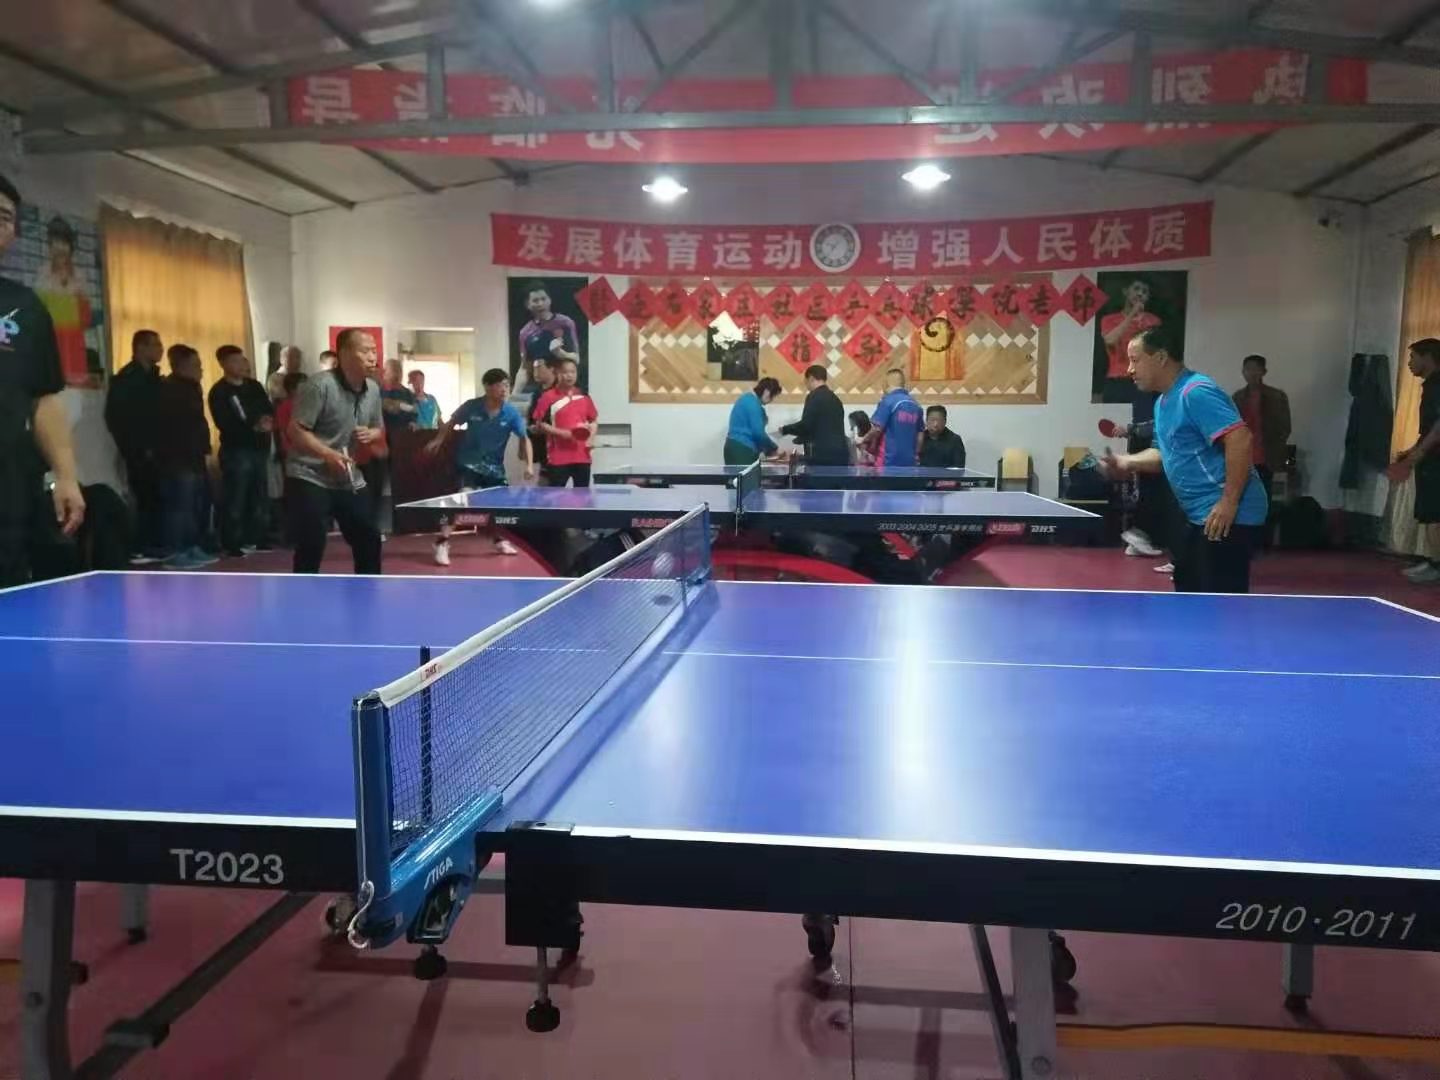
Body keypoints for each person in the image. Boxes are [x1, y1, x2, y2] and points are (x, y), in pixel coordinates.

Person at [1100, 328, 1267, 594]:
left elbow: (1240, 439)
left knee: (1218, 605)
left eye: (1135, 360)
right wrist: (1126, 462)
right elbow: (1163, 453)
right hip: (1198, 515)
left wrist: (1228, 502)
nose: (1129, 369)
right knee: (1188, 592)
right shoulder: (1163, 402)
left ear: (1161, 357)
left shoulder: (1195, 392)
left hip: (1225, 516)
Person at [0, 172, 85, 587]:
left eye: (3, 217)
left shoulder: (26, 306)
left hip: (9, 491)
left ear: (12, 234)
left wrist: (65, 475)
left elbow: (44, 399)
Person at [284, 327, 385, 574]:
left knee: (369, 537)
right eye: (365, 351)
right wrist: (327, 454)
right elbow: (295, 430)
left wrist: (371, 434)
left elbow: (379, 428)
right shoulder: (319, 385)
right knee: (312, 542)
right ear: (344, 354)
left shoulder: (373, 389)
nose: (372, 357)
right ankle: (302, 591)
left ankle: (368, 590)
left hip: (348, 475)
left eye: (374, 351)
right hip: (309, 473)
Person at [426, 368, 535, 565]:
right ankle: (441, 542)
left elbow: (524, 438)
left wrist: (529, 465)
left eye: (507, 385)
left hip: (494, 469)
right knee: (463, 500)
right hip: (468, 464)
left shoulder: (510, 413)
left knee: (495, 507)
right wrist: (438, 440)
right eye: (500, 385)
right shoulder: (471, 406)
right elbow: (451, 422)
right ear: (488, 387)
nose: (505, 389)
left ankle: (498, 539)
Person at [208, 345, 274, 557]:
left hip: (259, 447)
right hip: (236, 450)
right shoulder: (219, 391)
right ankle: (232, 541)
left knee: (259, 494)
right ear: (223, 364)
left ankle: (259, 537)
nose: (241, 364)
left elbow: (267, 408)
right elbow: (225, 422)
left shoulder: (254, 386)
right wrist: (253, 426)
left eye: (242, 359)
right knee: (236, 496)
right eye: (235, 361)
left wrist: (266, 421)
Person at [154, 345, 216, 569]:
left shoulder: (193, 389)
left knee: (194, 506)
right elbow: (172, 429)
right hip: (177, 459)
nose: (201, 369)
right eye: (196, 365)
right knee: (178, 508)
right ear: (181, 366)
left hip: (195, 457)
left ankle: (191, 546)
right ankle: (175, 552)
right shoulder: (168, 390)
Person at [106, 328, 166, 560]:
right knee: (143, 498)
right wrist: (135, 448)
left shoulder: (154, 378)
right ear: (141, 347)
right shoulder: (127, 378)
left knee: (157, 499)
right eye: (155, 344)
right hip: (139, 451)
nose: (160, 349)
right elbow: (117, 417)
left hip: (160, 449)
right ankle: (139, 547)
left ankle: (155, 544)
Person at [1388, 338, 1440, 584]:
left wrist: (1414, 458)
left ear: (1427, 357)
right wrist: (1411, 452)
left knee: (1435, 517)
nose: (1409, 363)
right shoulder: (1430, 385)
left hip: (1436, 461)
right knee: (1431, 516)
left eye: (1413, 357)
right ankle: (1433, 562)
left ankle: (1437, 567)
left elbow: (1438, 430)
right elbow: (1428, 430)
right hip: (1430, 459)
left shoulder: (1437, 385)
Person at [1232, 354, 1292, 502]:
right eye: (1247, 369)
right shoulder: (1237, 397)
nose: (1251, 373)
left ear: (1264, 372)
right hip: (1243, 455)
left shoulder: (1277, 396)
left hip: (1267, 456)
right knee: (1243, 497)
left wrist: (1275, 447)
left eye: (1255, 369)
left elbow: (1285, 427)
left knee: (1266, 496)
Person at [533, 357, 598, 486]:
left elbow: (593, 420)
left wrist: (591, 437)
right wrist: (562, 433)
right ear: (557, 373)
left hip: (582, 457)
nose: (569, 375)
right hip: (558, 458)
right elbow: (540, 423)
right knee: (556, 495)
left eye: (573, 372)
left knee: (582, 495)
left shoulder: (583, 395)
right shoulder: (547, 397)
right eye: (565, 372)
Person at [517, 281, 580, 395]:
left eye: (543, 299)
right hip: (540, 391)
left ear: (550, 300)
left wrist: (560, 353)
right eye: (535, 300)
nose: (540, 303)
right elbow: (524, 368)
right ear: (528, 304)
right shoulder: (525, 333)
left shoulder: (565, 323)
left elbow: (576, 358)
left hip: (565, 389)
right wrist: (513, 396)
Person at [780, 364, 848, 466]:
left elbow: (806, 425)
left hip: (821, 454)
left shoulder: (814, 396)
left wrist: (785, 429)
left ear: (811, 378)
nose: (806, 385)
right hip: (840, 453)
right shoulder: (835, 398)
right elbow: (825, 426)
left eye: (806, 382)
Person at [1101, 279, 1162, 384]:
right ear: (1126, 291)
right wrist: (1132, 314)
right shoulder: (1109, 319)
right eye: (1136, 289)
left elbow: (1156, 352)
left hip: (1145, 380)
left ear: (1147, 297)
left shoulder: (1154, 321)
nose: (1140, 294)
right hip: (1118, 379)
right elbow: (1110, 340)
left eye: (1144, 292)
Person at [865, 369, 924, 467]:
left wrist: (863, 440)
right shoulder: (916, 405)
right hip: (910, 463)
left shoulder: (888, 401)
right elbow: (920, 435)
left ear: (886, 384)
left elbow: (877, 429)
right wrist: (916, 455)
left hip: (887, 462)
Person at [724, 377, 783, 466]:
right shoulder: (754, 405)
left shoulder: (746, 399)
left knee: (734, 475)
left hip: (731, 446)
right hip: (743, 449)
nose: (771, 400)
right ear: (767, 392)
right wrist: (773, 449)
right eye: (773, 396)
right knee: (748, 475)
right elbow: (759, 434)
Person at [527, 357, 557, 483]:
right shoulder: (537, 393)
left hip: (559, 449)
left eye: (539, 368)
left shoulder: (561, 391)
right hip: (542, 450)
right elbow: (531, 418)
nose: (536, 373)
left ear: (551, 369)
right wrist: (532, 428)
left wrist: (548, 428)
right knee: (544, 487)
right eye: (534, 369)